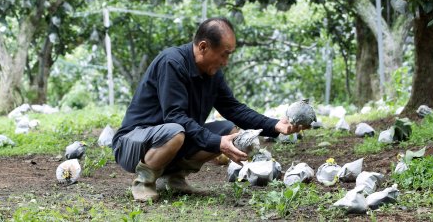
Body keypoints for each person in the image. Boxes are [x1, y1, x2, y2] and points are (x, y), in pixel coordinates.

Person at [112, 17, 305, 202]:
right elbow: (175, 117)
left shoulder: (212, 74)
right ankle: (144, 181)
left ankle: (174, 178)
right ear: (203, 47)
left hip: (170, 138)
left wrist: (275, 125)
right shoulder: (172, 63)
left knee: (229, 131)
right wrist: (217, 142)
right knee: (177, 131)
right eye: (224, 54)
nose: (225, 62)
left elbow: (234, 109)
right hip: (132, 143)